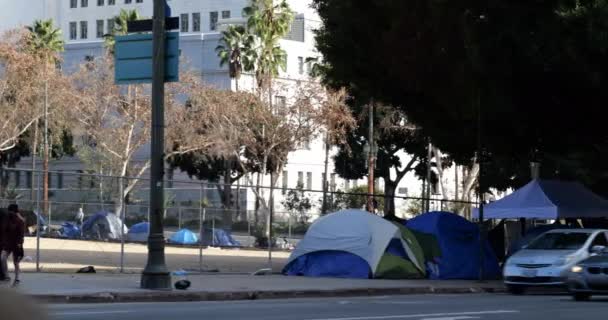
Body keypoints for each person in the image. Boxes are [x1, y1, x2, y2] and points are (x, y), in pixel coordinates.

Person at [1, 204, 25, 287]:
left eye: (11, 212)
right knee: (3, 257)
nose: (10, 213)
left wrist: (20, 245)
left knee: (16, 262)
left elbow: (21, 234)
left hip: (16, 243)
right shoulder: (7, 219)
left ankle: (17, 278)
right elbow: (4, 229)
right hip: (8, 243)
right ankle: (7, 276)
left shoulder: (19, 221)